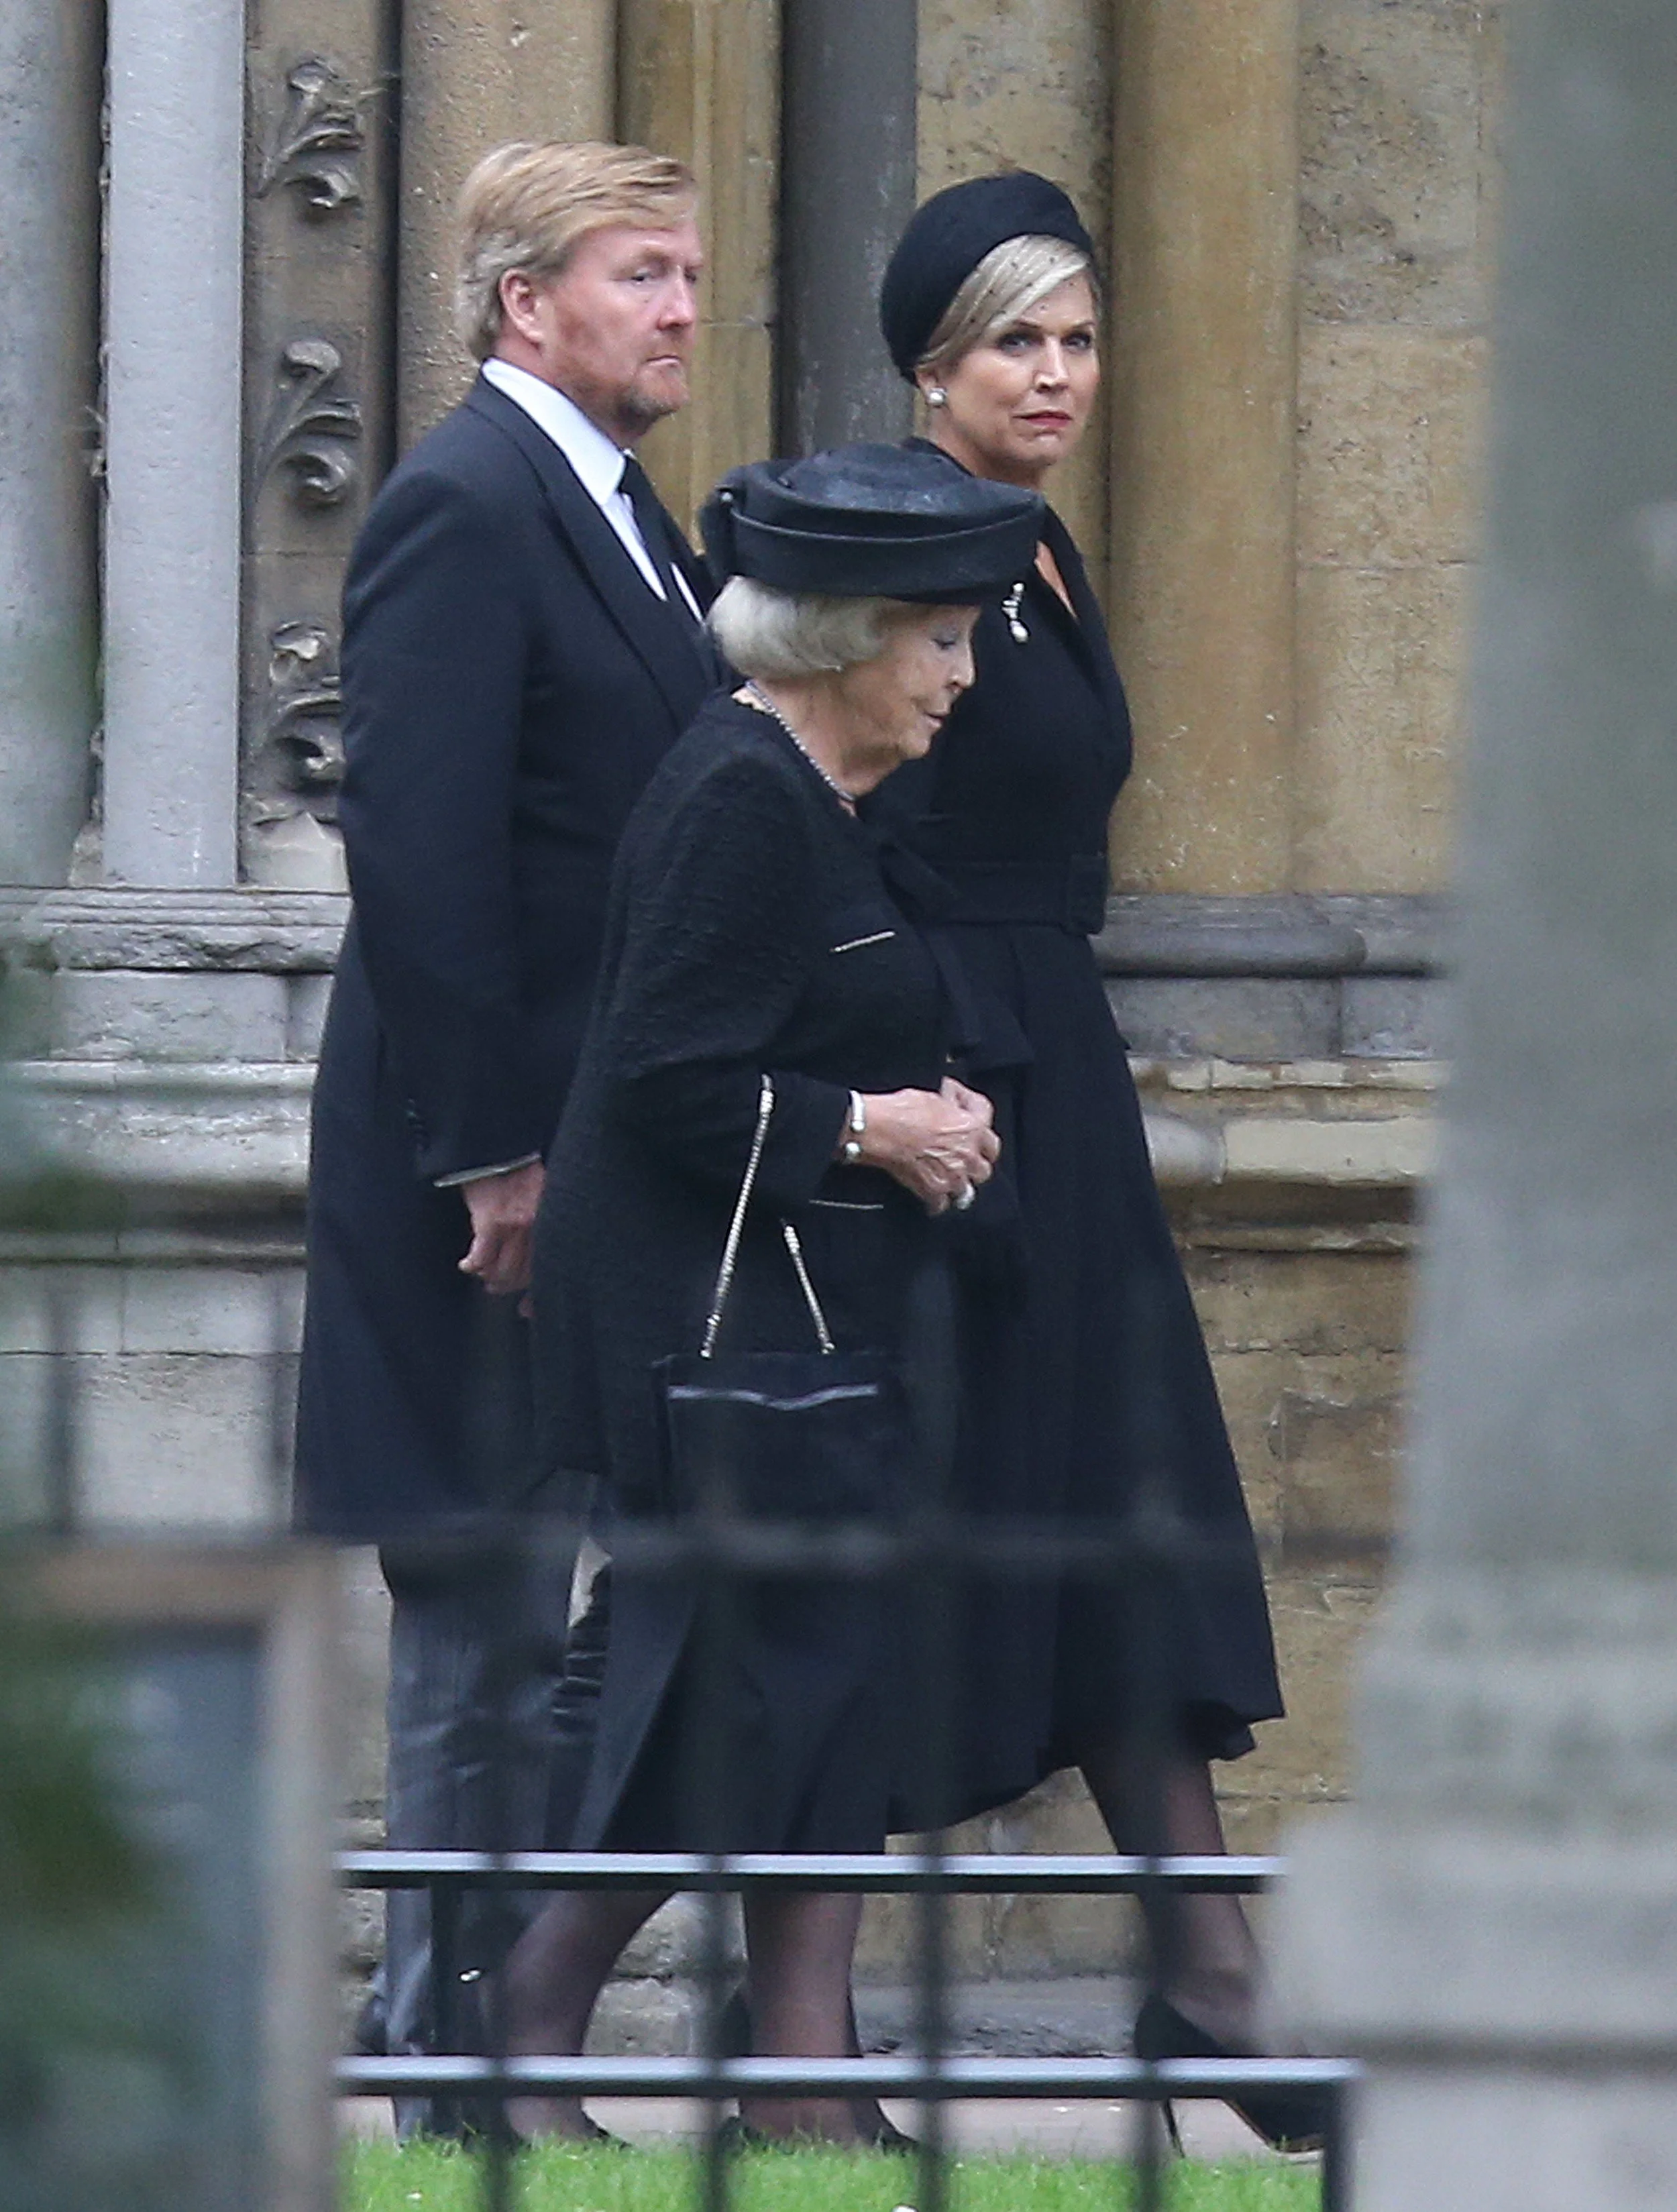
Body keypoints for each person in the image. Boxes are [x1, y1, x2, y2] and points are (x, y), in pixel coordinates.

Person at [503, 442, 1041, 2146]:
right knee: (721, 1691)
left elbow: (810, 1025)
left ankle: (801, 2079)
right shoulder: (741, 791)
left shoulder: (813, 799)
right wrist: (874, 1127)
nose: (961, 676)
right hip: (707, 1338)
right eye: (941, 639)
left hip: (798, 1331)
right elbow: (664, 1077)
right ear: (841, 638)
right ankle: (521, 2025)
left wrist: (920, 1113)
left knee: (820, 1683)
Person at [869, 171, 1323, 2150]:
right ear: (928, 369)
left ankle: (1210, 1976)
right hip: (962, 1094)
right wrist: (903, 1097)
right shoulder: (895, 546)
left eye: (1073, 338)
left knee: (1122, 1511)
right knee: (906, 1555)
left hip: (1061, 1068)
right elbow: (831, 825)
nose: (1052, 375)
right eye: (1009, 344)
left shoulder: (1033, 548)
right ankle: (614, 2002)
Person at [293, 138, 724, 2134]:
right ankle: (441, 2049)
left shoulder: (622, 513)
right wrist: (490, 1157)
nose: (680, 309)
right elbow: (427, 853)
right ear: (520, 301)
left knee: (560, 1605)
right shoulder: (469, 503)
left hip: (585, 1156)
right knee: (477, 1615)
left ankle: (481, 2034)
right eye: (641, 274)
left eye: (691, 275)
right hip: (477, 1176)